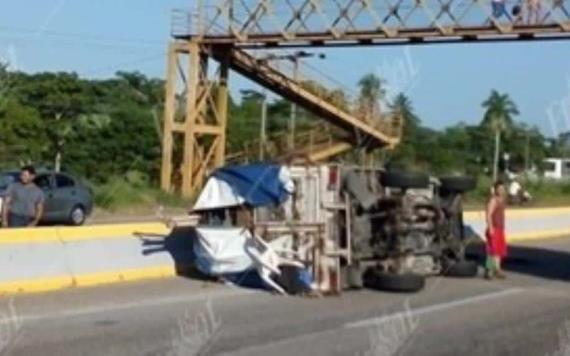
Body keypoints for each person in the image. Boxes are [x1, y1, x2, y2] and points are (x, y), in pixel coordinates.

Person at [485, 180, 507, 279]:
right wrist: (490, 228)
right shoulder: (493, 200)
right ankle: (489, 270)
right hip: (494, 228)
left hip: (500, 228)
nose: (501, 191)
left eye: (503, 189)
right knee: (492, 250)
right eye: (499, 189)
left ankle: (497, 269)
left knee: (499, 251)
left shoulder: (502, 199)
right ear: (496, 190)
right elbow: (488, 215)